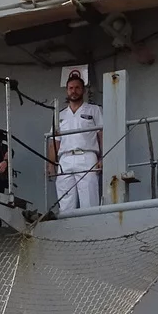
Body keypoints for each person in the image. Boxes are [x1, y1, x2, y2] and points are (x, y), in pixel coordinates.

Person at [50, 70, 103, 214]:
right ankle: (67, 233)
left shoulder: (94, 110)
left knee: (89, 200)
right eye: (71, 88)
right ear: (67, 91)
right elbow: (55, 141)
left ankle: (91, 231)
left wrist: (103, 157)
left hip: (87, 156)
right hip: (65, 159)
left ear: (83, 90)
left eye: (77, 88)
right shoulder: (60, 114)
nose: (74, 91)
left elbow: (101, 134)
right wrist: (50, 164)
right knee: (65, 202)